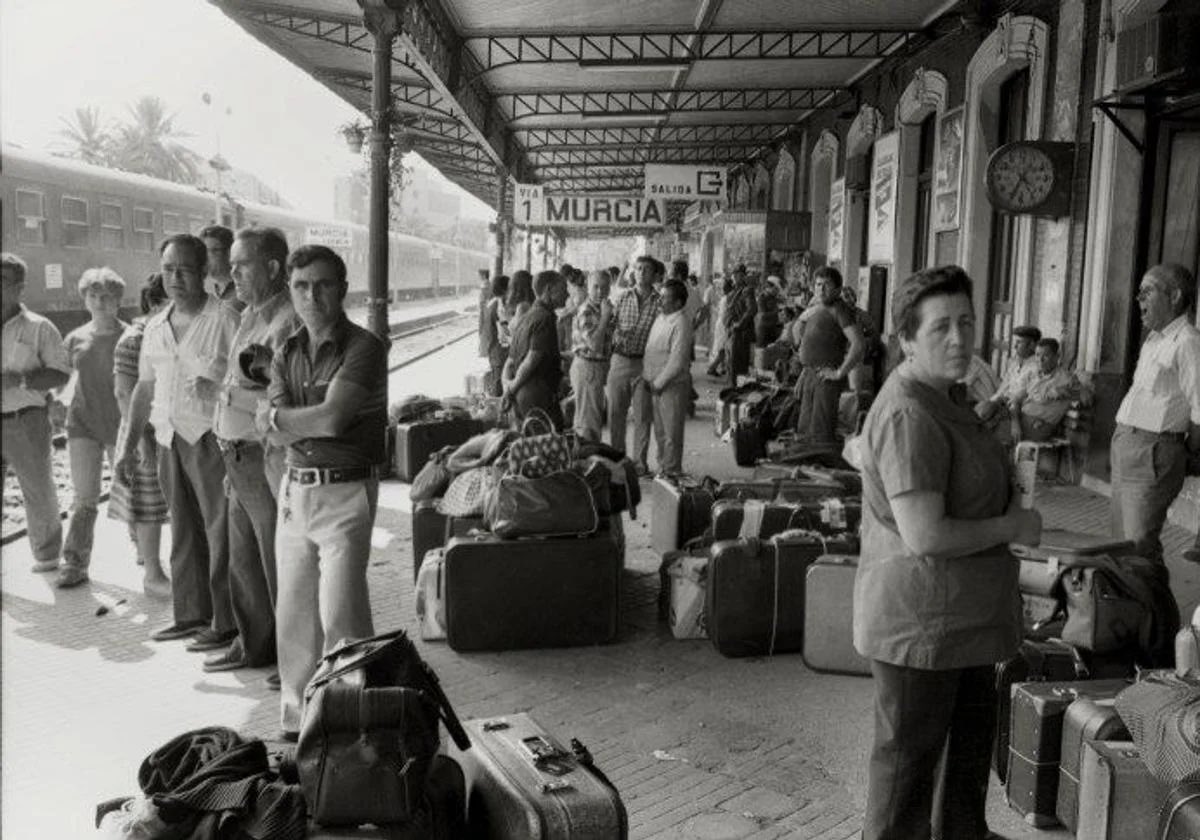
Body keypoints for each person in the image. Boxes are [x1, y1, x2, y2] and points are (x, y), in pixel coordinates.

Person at [855, 265, 1042, 840]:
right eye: (941, 327)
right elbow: (926, 535)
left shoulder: (949, 397)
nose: (959, 338)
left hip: (965, 622)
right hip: (922, 626)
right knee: (907, 777)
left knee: (962, 765)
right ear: (907, 339)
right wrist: (1012, 524)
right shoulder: (910, 411)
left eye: (967, 322)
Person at [257, 244, 388, 739]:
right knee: (293, 612)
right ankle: (298, 723)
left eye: (323, 284)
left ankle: (353, 718)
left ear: (342, 289)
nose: (311, 295)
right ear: (290, 292)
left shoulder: (364, 347)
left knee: (341, 612)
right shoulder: (286, 349)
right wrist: (287, 422)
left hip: (345, 492)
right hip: (295, 492)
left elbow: (332, 419)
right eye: (301, 286)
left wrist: (282, 420)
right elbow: (271, 427)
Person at [116, 234, 240, 650]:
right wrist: (130, 444)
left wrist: (219, 385)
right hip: (169, 439)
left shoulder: (225, 319)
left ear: (204, 272)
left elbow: (250, 380)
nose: (175, 277)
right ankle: (190, 616)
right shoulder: (154, 325)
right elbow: (143, 389)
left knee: (220, 532)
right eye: (168, 269)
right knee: (184, 531)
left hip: (211, 438)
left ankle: (227, 622)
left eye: (185, 269)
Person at [205, 226, 298, 676]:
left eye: (242, 264)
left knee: (277, 558)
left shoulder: (286, 323)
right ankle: (254, 646)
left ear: (274, 267)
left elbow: (285, 401)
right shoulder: (250, 315)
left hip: (265, 457)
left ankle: (293, 655)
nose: (231, 271)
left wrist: (227, 403)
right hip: (237, 455)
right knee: (244, 561)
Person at [1111, 263, 1200, 564]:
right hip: (1125, 443)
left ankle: (1157, 610)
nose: (1139, 300)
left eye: (1147, 292)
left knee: (1139, 546)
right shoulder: (1154, 339)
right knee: (1120, 544)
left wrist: (1187, 452)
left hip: (1154, 452)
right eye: (1138, 294)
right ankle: (1131, 608)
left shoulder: (1188, 341)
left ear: (1174, 295)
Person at [56, 268, 130, 588]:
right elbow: (63, 380)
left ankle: (145, 549)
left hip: (120, 424)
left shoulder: (129, 336)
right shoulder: (74, 338)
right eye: (93, 296)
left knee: (131, 490)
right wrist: (56, 407)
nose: (100, 302)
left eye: (107, 297)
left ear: (118, 301)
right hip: (82, 424)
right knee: (84, 498)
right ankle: (75, 560)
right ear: (85, 299)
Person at [1, 252, 72, 574]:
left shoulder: (40, 328)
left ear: (19, 288)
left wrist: (22, 379)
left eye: (2, 282)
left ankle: (47, 557)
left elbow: (60, 373)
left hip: (25, 418)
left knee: (38, 490)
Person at [108, 274, 171, 597]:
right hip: (142, 434)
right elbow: (124, 394)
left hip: (163, 431)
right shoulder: (135, 337)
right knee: (148, 508)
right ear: (156, 302)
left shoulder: (164, 332)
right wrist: (141, 441)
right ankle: (153, 574)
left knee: (162, 505)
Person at [793, 266, 863, 448]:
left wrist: (839, 373)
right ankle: (806, 469)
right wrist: (804, 372)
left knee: (820, 433)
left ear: (838, 289)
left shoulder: (840, 310)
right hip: (810, 375)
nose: (821, 289)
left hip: (826, 379)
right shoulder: (818, 308)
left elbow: (858, 345)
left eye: (826, 285)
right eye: (817, 285)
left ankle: (818, 470)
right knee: (805, 430)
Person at [607, 256, 661, 473]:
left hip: (645, 364)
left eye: (646, 269)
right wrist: (615, 335)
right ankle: (617, 459)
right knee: (616, 413)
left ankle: (639, 463)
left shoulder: (660, 302)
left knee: (642, 416)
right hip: (619, 360)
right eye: (638, 268)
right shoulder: (622, 297)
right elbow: (609, 324)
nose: (641, 272)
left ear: (655, 275)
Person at [503, 270, 567, 429]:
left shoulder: (526, 316)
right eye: (563, 289)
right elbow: (531, 360)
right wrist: (511, 389)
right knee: (550, 445)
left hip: (522, 396)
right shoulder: (545, 318)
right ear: (549, 290)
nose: (567, 294)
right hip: (537, 395)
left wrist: (508, 387)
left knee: (530, 444)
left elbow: (510, 362)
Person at [644, 280, 694, 476]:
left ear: (678, 303)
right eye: (660, 296)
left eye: (665, 298)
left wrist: (658, 383)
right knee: (661, 432)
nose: (660, 301)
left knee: (672, 433)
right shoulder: (662, 317)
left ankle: (672, 471)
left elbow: (678, 360)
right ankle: (663, 467)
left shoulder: (681, 323)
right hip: (655, 384)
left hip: (671, 385)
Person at [570, 270, 614, 442]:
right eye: (595, 287)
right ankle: (587, 460)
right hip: (588, 366)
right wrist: (605, 317)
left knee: (590, 418)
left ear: (610, 288)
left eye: (604, 287)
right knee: (588, 423)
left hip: (596, 366)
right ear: (588, 287)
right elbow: (594, 345)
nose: (600, 292)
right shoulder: (587, 310)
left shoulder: (602, 308)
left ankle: (587, 457)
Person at [1010, 338, 1080, 443]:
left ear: (1057, 357)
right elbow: (1016, 400)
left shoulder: (1066, 379)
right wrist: (1015, 423)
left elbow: (1085, 395)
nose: (1040, 360)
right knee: (985, 409)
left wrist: (1061, 391)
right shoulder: (1033, 375)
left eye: (1045, 356)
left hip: (1037, 426)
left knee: (984, 430)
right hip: (1020, 419)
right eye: (1037, 355)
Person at [977, 325, 1040, 423]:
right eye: (1015, 342)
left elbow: (1025, 396)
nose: (1014, 346)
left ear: (1032, 345)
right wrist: (991, 402)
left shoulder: (1036, 368)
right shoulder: (1014, 363)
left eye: (1019, 342)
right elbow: (1002, 388)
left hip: (1015, 411)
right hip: (1000, 405)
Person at [724, 265, 757, 387]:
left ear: (741, 276)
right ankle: (731, 390)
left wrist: (739, 324)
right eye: (733, 274)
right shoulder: (734, 292)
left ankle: (735, 391)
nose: (734, 277)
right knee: (730, 365)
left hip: (740, 334)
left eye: (736, 274)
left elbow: (752, 309)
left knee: (737, 367)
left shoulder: (747, 291)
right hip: (731, 333)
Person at [199, 224, 243, 313]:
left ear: (229, 252)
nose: (206, 257)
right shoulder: (201, 286)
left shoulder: (246, 286)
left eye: (212, 251)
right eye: (203, 251)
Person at [481, 274, 509, 397]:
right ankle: (498, 411)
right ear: (505, 289)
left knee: (496, 380)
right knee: (499, 384)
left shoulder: (490, 303)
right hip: (500, 351)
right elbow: (504, 333)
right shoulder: (500, 306)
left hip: (492, 347)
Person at [705, 276, 731, 377]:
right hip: (723, 324)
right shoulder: (727, 298)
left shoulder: (725, 298)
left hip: (721, 323)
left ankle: (719, 367)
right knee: (722, 348)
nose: (722, 289)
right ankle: (712, 367)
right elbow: (724, 314)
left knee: (721, 347)